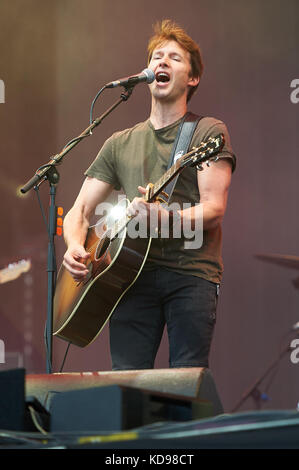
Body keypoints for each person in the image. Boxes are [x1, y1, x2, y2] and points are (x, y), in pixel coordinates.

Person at [62, 19, 236, 370]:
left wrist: (165, 218)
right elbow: (79, 212)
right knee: (126, 385)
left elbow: (214, 209)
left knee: (185, 381)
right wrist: (75, 248)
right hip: (128, 277)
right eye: (157, 56)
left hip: (189, 273)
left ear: (192, 78)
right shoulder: (119, 142)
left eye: (174, 58)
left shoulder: (207, 132)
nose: (162, 62)